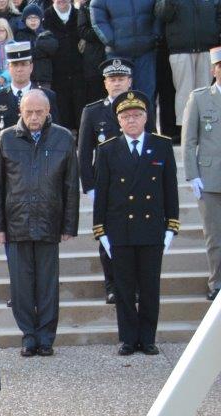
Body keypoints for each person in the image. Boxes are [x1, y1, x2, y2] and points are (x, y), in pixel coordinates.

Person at [0, 89, 79, 356]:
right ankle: (28, 334)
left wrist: (68, 225)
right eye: (29, 112)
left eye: (39, 112)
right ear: (20, 112)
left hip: (49, 222)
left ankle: (46, 337)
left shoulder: (63, 137)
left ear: (48, 111)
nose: (34, 117)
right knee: (21, 285)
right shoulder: (6, 138)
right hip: (16, 223)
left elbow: (71, 185)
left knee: (48, 285)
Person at [93, 90, 180, 355]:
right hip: (120, 229)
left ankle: (148, 337)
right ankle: (128, 338)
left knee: (150, 287)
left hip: (151, 228)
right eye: (126, 116)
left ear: (146, 118)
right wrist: (101, 231)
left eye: (137, 115)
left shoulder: (162, 145)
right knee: (124, 288)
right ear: (118, 121)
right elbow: (102, 193)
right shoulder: (107, 149)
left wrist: (171, 227)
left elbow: (170, 189)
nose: (132, 120)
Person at [78, 57, 142, 303]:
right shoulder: (93, 111)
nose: (116, 83)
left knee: (137, 235)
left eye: (121, 79)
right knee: (108, 238)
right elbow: (84, 153)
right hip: (106, 186)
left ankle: (134, 285)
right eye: (112, 79)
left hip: (137, 183)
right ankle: (112, 285)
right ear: (105, 83)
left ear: (129, 81)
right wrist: (90, 186)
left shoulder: (140, 107)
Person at [181, 46, 221, 301]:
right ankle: (216, 282)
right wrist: (192, 174)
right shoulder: (200, 97)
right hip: (209, 178)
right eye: (220, 66)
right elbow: (188, 140)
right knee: (214, 236)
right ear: (213, 69)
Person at [0, 41, 58, 177]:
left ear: (31, 67)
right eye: (15, 65)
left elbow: (55, 134)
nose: (19, 69)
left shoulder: (47, 96)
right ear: (8, 67)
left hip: (42, 166)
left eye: (24, 64)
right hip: (9, 169)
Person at [155, 0, 220, 128]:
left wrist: (215, 32)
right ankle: (185, 131)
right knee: (184, 94)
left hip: (207, 48)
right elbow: (163, 15)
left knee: (207, 93)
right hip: (181, 49)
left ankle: (206, 130)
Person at [89, 0, 160, 99]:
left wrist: (155, 35)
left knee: (146, 96)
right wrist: (111, 41)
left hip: (145, 52)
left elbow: (158, 13)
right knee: (120, 97)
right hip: (118, 54)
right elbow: (98, 20)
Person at [43, 0, 85, 132]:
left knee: (80, 108)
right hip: (56, 74)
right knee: (61, 110)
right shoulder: (46, 16)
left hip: (79, 73)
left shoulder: (79, 14)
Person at [14, 5, 58, 88]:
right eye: (30, 18)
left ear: (41, 20)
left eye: (36, 18)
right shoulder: (20, 35)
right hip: (26, 78)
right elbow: (25, 53)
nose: (33, 20)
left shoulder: (46, 33)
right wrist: (42, 51)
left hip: (44, 78)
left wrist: (35, 44)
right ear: (24, 20)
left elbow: (53, 48)